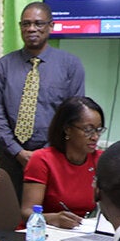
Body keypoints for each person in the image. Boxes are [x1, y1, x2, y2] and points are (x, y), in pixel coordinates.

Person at [0, 2, 86, 196]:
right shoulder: (3, 66)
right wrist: (18, 152)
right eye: (26, 24)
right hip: (10, 157)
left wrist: (43, 154)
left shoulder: (70, 65)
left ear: (51, 26)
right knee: (8, 217)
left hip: (53, 156)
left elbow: (73, 116)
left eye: (38, 23)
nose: (31, 28)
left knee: (47, 215)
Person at [22, 96, 104, 228]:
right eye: (88, 130)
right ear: (67, 129)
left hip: (79, 233)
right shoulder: (42, 159)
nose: (95, 137)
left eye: (98, 130)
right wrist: (52, 218)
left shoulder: (101, 160)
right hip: (41, 234)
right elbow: (27, 213)